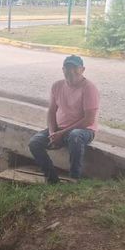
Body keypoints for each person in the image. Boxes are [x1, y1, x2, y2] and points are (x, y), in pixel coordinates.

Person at [28, 55, 100, 183]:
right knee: (34, 142)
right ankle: (52, 179)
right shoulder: (57, 86)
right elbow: (51, 111)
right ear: (63, 69)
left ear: (82, 69)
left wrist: (61, 133)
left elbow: (89, 120)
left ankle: (74, 179)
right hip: (59, 129)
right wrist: (52, 133)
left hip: (84, 130)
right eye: (67, 68)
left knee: (75, 136)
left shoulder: (89, 88)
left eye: (75, 68)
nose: (71, 71)